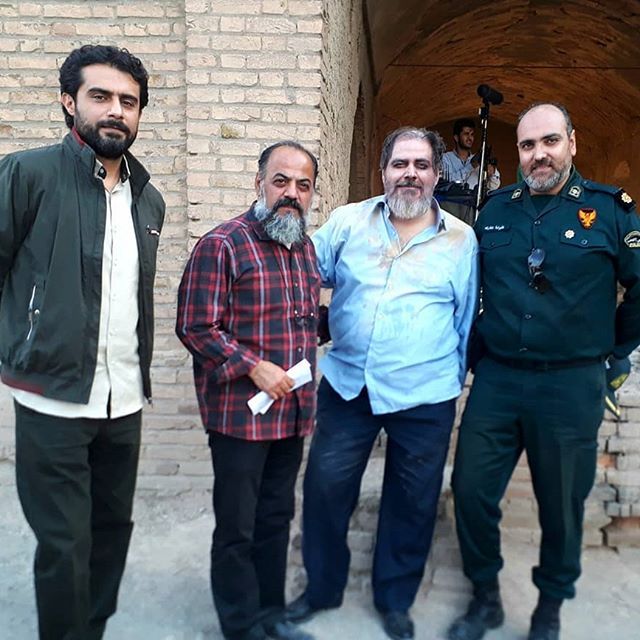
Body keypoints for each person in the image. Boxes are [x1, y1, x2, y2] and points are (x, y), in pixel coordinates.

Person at [447, 102, 640, 640]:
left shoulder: (609, 210)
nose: (539, 154)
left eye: (550, 141)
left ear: (571, 143)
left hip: (570, 384)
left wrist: (613, 350)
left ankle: (549, 607)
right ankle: (485, 596)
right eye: (528, 145)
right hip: (499, 379)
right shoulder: (495, 210)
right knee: (470, 489)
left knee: (562, 506)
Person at [285, 127, 479, 640]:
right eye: (400, 164)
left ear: (436, 175)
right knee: (325, 489)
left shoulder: (461, 240)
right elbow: (301, 274)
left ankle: (394, 599)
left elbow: (464, 319)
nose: (410, 174)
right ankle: (322, 589)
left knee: (412, 501)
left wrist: (452, 379)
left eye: (421, 165)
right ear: (384, 171)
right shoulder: (348, 222)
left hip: (426, 395)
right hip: (348, 386)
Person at [0, 45, 165, 639]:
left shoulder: (148, 198)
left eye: (129, 101)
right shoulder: (27, 174)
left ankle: (91, 631)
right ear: (70, 102)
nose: (116, 110)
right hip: (52, 399)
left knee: (111, 532)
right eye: (101, 96)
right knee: (65, 544)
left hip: (124, 399)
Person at [176, 141, 321, 640]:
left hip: (292, 414)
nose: (291, 193)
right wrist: (253, 366)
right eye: (281, 181)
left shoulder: (305, 248)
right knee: (237, 528)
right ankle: (240, 626)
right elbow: (195, 326)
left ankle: (270, 614)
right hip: (240, 418)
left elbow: (301, 322)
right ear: (259, 184)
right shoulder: (222, 244)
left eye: (303, 185)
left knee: (276, 518)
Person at [441, 117, 501, 191]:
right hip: (452, 198)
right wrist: (471, 166)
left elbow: (494, 186)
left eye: (472, 134)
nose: (470, 138)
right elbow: (447, 183)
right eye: (466, 134)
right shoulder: (446, 159)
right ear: (456, 138)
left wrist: (492, 172)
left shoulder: (479, 159)